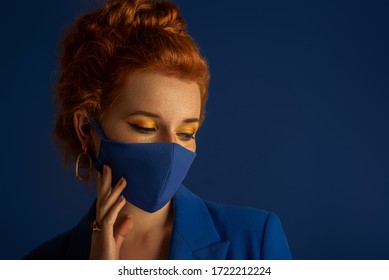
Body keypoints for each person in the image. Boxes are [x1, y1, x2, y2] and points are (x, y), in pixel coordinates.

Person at [24, 0, 292, 260]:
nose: (171, 148)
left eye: (186, 133)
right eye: (145, 127)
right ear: (85, 128)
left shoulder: (256, 240)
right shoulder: (41, 264)